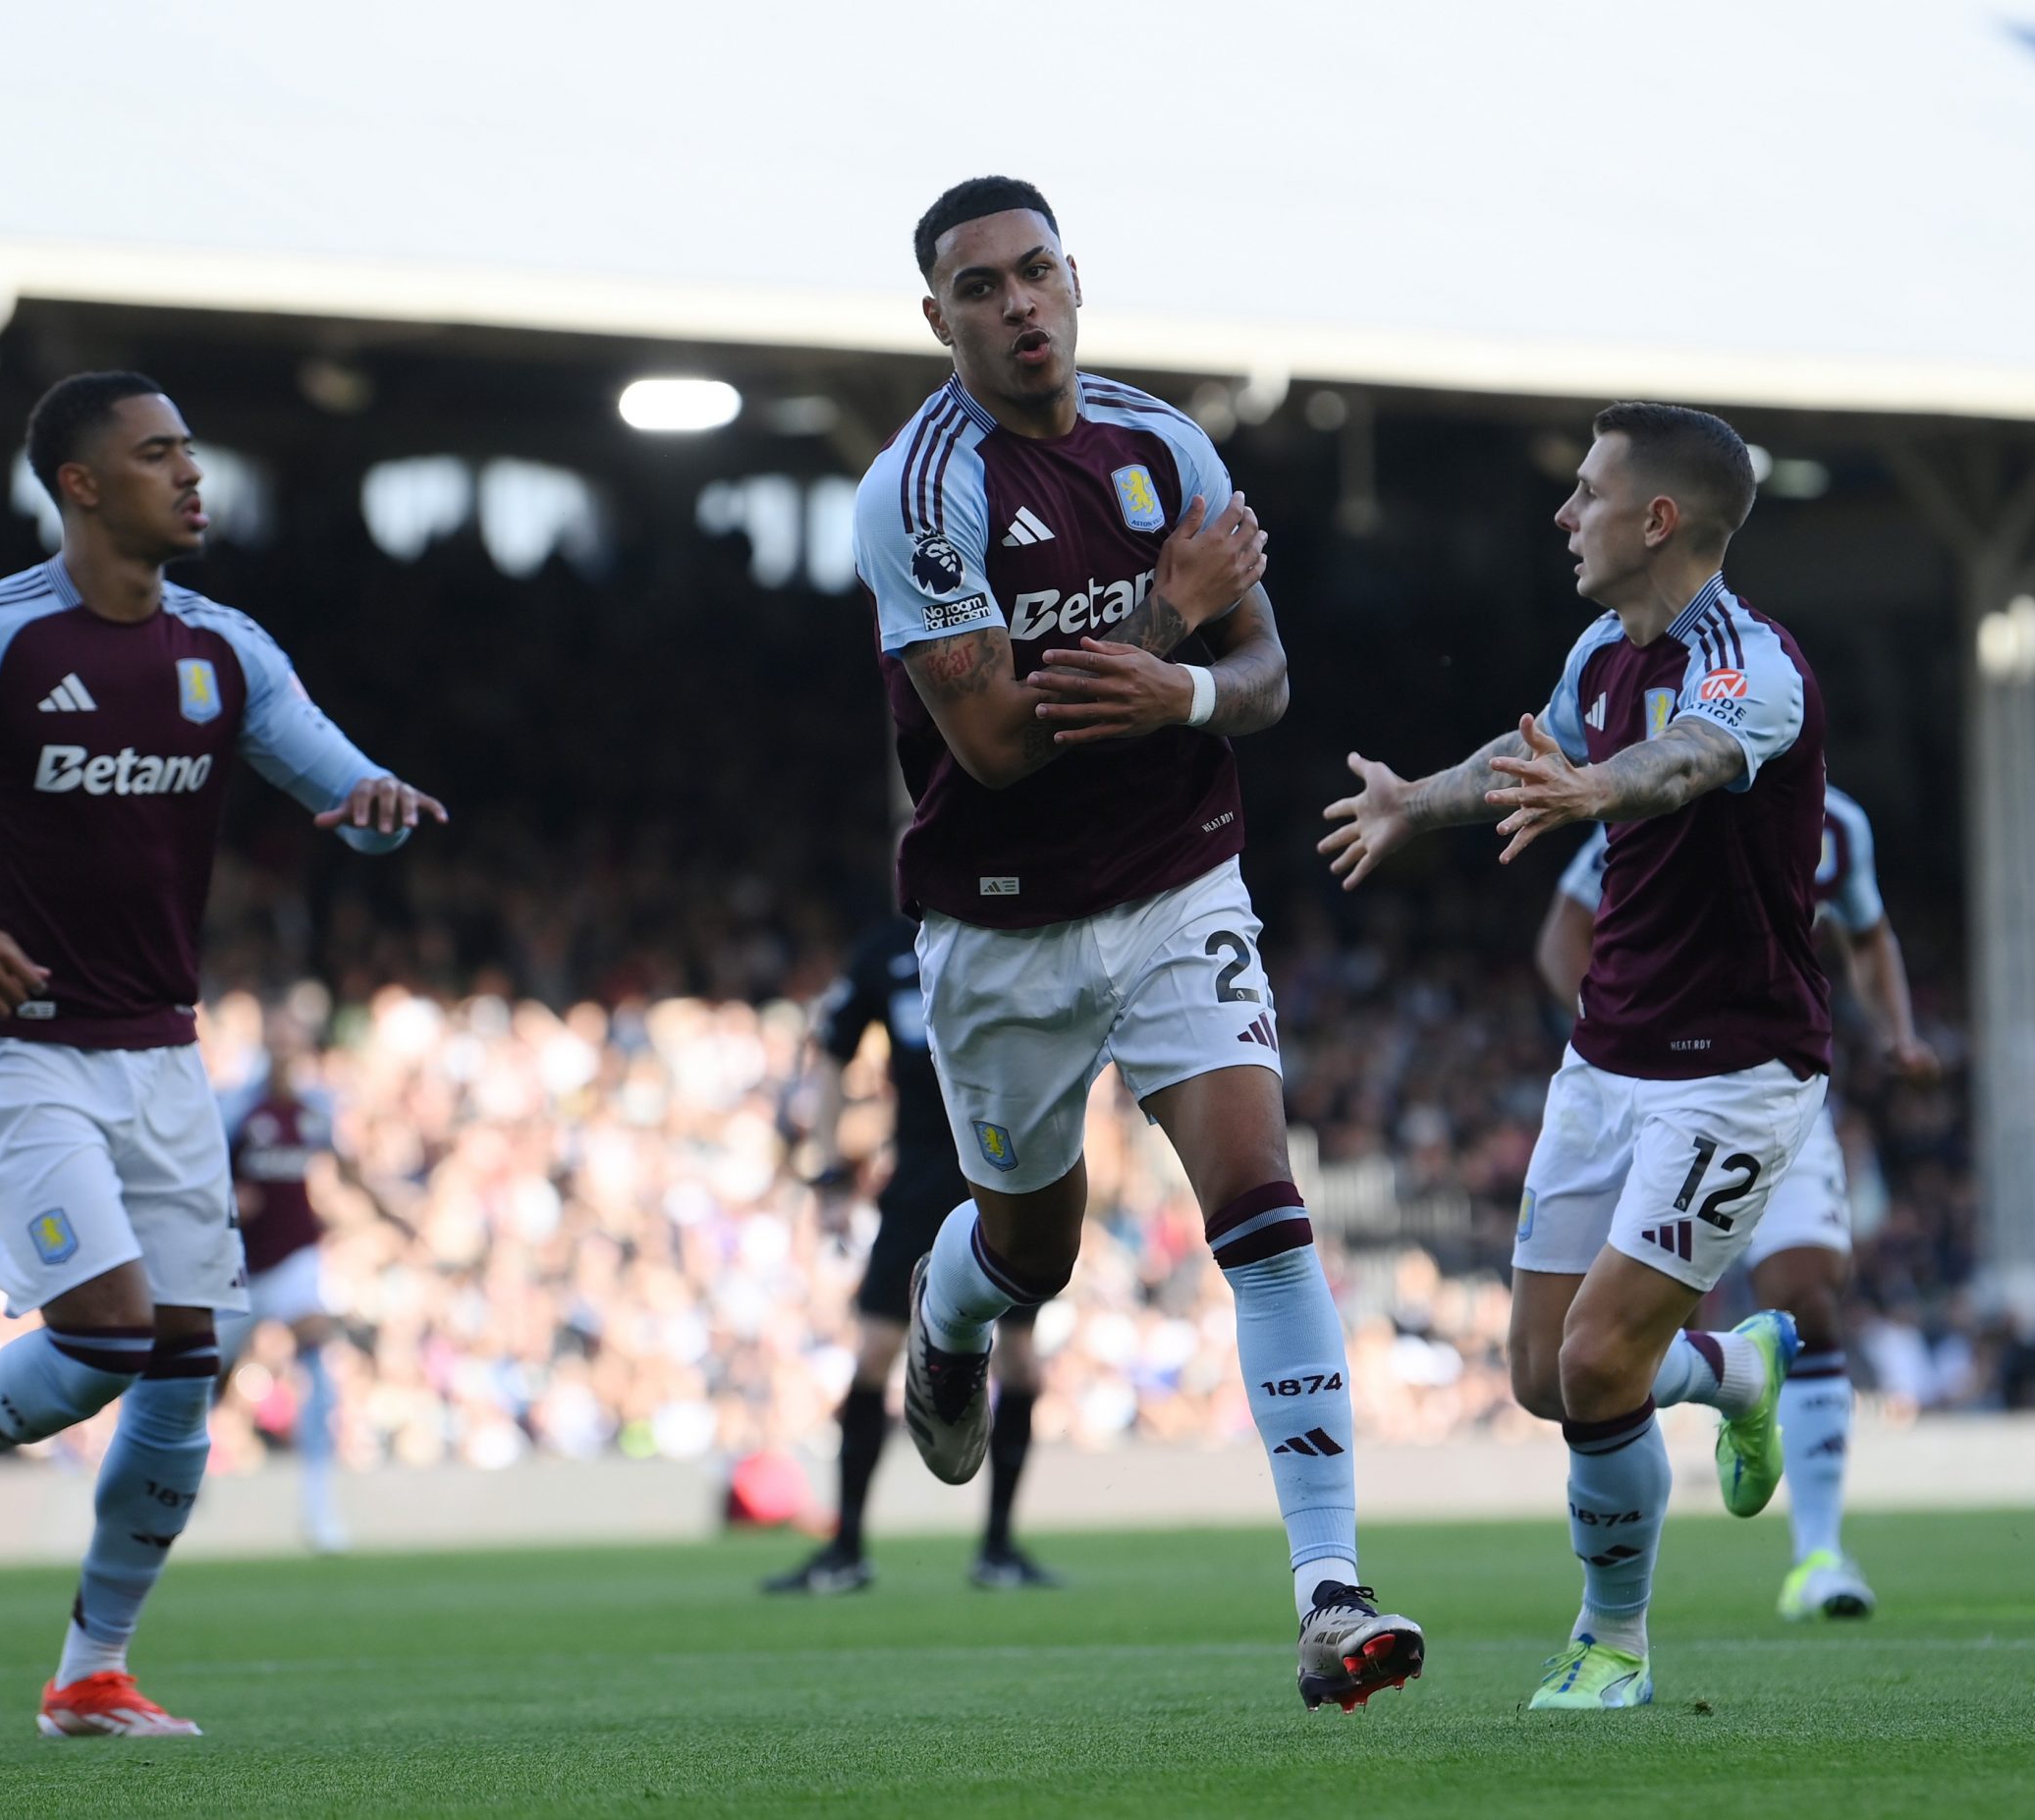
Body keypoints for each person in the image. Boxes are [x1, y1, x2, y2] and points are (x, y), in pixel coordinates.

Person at [0, 371, 443, 1738]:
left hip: (159, 1050)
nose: (191, 477)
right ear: (81, 486)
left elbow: (345, 790)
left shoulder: (227, 651)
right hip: (17, 1044)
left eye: (191, 452)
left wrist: (375, 809)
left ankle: (93, 1669)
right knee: (107, 1333)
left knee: (187, 1365)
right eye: (157, 457)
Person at [853, 175, 1421, 1714]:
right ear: (939, 318)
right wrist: (1166, 623)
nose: (1020, 304)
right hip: (999, 922)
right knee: (1035, 1247)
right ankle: (950, 1307)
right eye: (983, 287)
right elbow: (987, 748)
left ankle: (1330, 1592)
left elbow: (1270, 674)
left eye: (1038, 272)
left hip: (1180, 879)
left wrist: (1174, 685)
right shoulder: (920, 492)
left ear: (1075, 279)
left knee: (1265, 1206)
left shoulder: (1165, 444)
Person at [1322, 402, 1828, 1709]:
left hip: (1737, 1069)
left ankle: (1614, 1640)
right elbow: (1535, 748)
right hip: (1607, 1060)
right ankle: (1731, 1366)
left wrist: (1598, 790)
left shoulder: (1753, 662)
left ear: (1657, 519)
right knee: (1542, 1375)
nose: (1564, 513)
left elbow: (1686, 759)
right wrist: (1418, 804)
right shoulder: (1605, 643)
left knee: (1601, 1360)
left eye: (1588, 490)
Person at [1538, 786, 1938, 1620]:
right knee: (1558, 1364)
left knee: (1811, 1296)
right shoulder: (1653, 794)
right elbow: (1562, 932)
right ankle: (1731, 1370)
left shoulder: (1837, 823)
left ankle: (1820, 1554)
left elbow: (1869, 935)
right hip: (1655, 1091)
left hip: (1769, 1087)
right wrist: (1619, 1037)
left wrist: (1897, 1030)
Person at [765, 914, 1057, 1595]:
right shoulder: (884, 951)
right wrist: (831, 1171)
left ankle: (998, 1545)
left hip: (1005, 1169)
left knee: (1020, 1361)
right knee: (872, 1352)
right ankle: (846, 1548)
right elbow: (834, 1048)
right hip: (921, 1177)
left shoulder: (1011, 929)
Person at [215, 1004, 412, 1556]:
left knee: (318, 1362)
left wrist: (387, 1209)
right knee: (202, 1379)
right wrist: (232, 1204)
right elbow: (200, 1176)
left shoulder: (314, 1107)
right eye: (276, 1041)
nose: (284, 1051)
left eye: (293, 1042)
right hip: (236, 1268)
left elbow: (343, 1166)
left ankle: (319, 1507)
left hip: (297, 1259)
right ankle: (186, 1473)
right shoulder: (234, 1106)